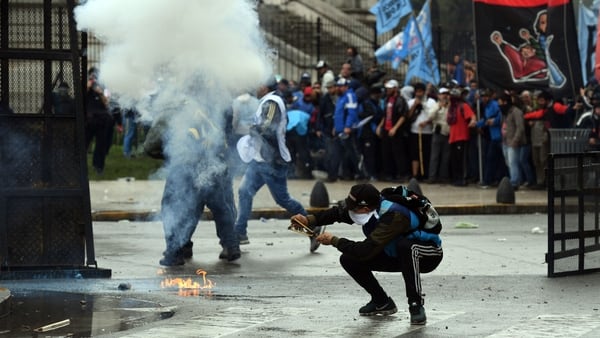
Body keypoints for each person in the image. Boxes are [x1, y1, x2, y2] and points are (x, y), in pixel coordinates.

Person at [291, 183, 443, 325]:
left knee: (407, 248)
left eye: (353, 208)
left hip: (427, 255)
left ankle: (415, 305)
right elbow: (337, 213)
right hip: (395, 254)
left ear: (365, 208)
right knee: (349, 259)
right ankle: (381, 302)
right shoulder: (367, 207)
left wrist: (334, 241)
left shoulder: (394, 215)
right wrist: (308, 220)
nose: (349, 211)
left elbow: (366, 250)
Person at [235, 81, 322, 252]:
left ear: (265, 87)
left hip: (272, 162)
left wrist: (247, 129)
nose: (255, 88)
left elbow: (267, 128)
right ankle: (239, 233)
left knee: (283, 200)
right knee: (244, 191)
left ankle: (312, 228)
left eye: (258, 84)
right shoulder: (267, 101)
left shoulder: (272, 102)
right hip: (260, 160)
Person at [159, 116, 241, 266]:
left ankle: (174, 251)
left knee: (172, 206)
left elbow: (153, 145)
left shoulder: (184, 119)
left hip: (191, 167)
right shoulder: (209, 119)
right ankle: (231, 245)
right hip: (216, 167)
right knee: (219, 207)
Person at [376, 79, 410, 181]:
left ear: (395, 88)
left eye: (390, 88)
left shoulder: (400, 100)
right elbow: (385, 115)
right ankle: (388, 173)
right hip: (386, 129)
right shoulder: (387, 100)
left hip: (396, 130)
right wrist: (380, 126)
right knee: (386, 152)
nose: (387, 90)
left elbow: (403, 116)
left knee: (398, 153)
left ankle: (402, 173)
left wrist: (395, 128)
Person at [84, 67, 113, 175]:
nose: (93, 77)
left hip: (102, 119)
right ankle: (80, 166)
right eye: (92, 75)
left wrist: (100, 93)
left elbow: (107, 103)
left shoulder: (104, 87)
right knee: (84, 143)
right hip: (89, 119)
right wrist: (89, 86)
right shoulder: (86, 85)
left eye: (95, 75)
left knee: (101, 145)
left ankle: (98, 166)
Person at [406, 82, 438, 180]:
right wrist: (414, 106)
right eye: (417, 92)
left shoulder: (431, 102)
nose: (418, 94)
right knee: (415, 153)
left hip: (427, 131)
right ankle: (415, 175)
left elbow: (433, 115)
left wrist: (427, 122)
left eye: (420, 91)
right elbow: (408, 116)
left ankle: (426, 173)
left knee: (426, 153)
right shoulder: (411, 102)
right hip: (415, 131)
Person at [447, 88, 477, 186]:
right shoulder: (451, 108)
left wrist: (472, 121)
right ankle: (456, 178)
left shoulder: (463, 106)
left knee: (462, 160)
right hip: (453, 137)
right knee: (454, 160)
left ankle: (463, 178)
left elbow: (472, 116)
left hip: (462, 136)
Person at [498, 92, 526, 189]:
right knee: (509, 163)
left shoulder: (516, 112)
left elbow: (520, 127)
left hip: (513, 141)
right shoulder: (504, 113)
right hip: (505, 141)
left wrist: (515, 140)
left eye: (500, 102)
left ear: (505, 102)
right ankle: (515, 179)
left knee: (513, 162)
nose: (499, 105)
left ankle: (514, 182)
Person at [427, 87, 451, 183]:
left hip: (448, 133)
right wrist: (439, 107)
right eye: (443, 94)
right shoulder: (435, 105)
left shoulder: (451, 106)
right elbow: (430, 116)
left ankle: (443, 176)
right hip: (438, 133)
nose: (445, 96)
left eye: (446, 93)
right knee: (435, 156)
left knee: (446, 157)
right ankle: (432, 177)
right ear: (439, 95)